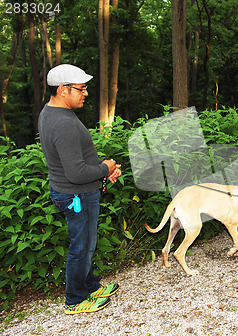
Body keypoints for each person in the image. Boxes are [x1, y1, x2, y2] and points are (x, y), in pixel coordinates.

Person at [38, 64, 122, 314]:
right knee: (81, 246)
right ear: (63, 90)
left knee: (86, 242)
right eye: (81, 89)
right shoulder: (63, 123)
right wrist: (104, 169)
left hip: (75, 190)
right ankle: (75, 300)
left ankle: (88, 285)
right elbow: (75, 173)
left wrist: (102, 170)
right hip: (77, 194)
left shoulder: (51, 112)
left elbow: (75, 161)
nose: (85, 93)